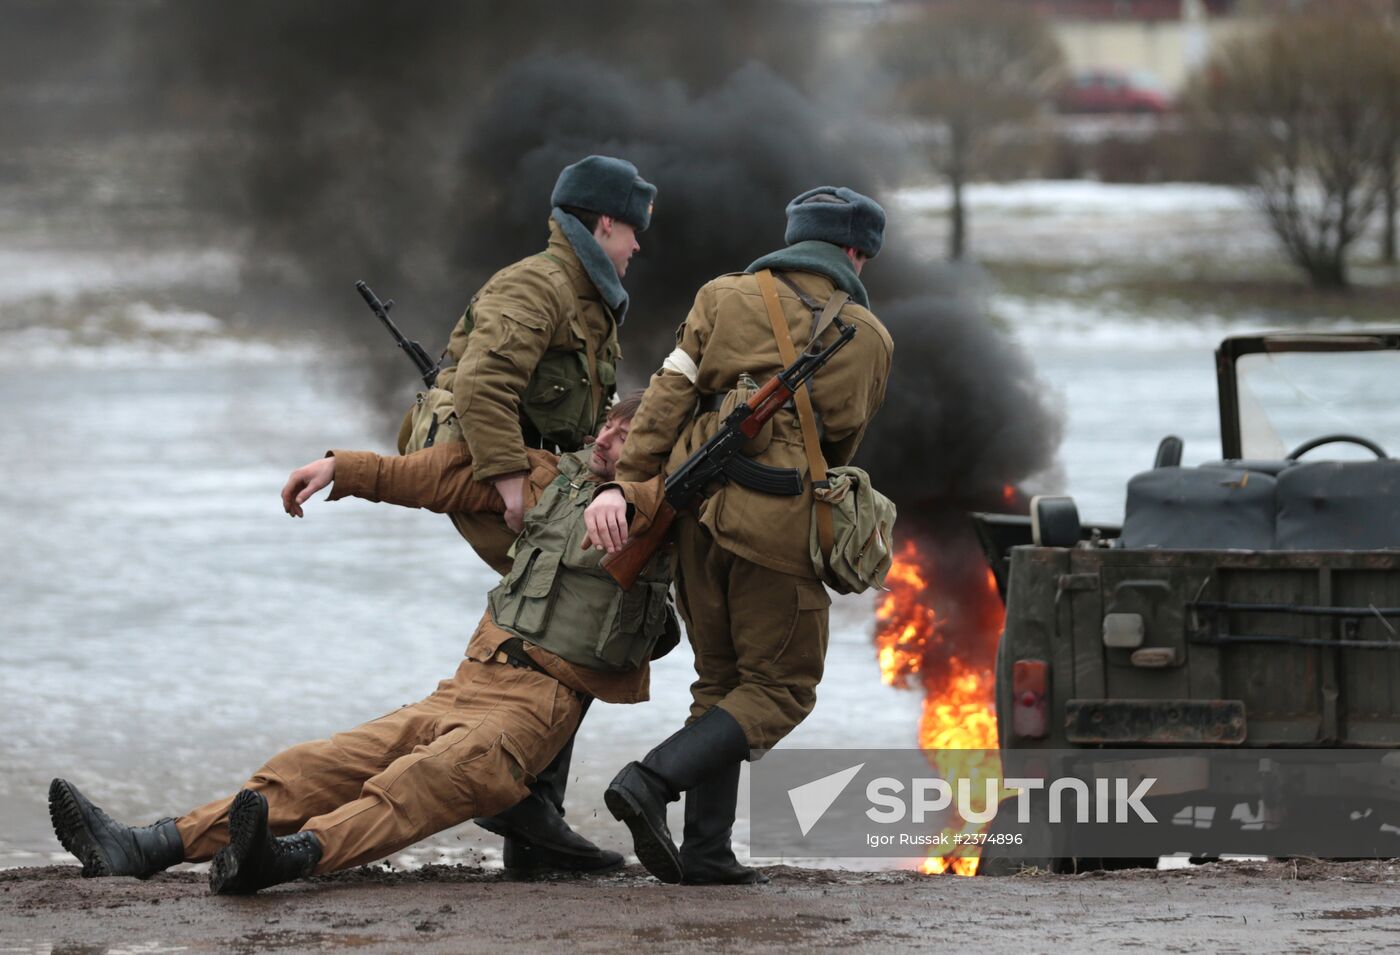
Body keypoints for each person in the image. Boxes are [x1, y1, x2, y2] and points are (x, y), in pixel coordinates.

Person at [48, 393, 677, 894]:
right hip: (468, 684)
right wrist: (340, 469)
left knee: (422, 782)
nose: (602, 439)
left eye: (623, 437)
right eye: (606, 427)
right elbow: (437, 475)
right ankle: (144, 846)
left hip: (533, 711)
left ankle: (287, 858)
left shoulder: (663, 518)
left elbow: (699, 510)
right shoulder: (549, 480)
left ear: (649, 448)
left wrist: (635, 494)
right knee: (316, 765)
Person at [584, 187, 894, 885]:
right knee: (781, 687)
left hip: (694, 516)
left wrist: (627, 489)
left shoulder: (721, 297)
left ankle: (705, 851)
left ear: (793, 238)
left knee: (719, 681)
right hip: (779, 536)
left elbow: (664, 401)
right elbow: (838, 443)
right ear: (854, 254)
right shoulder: (870, 340)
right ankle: (652, 780)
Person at [417, 154, 657, 874]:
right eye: (632, 230)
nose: (638, 246)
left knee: (568, 615)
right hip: (488, 469)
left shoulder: (586, 296)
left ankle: (529, 818)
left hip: (532, 469)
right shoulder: (539, 284)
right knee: (585, 605)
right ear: (605, 222)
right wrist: (509, 480)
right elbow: (487, 382)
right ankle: (522, 800)